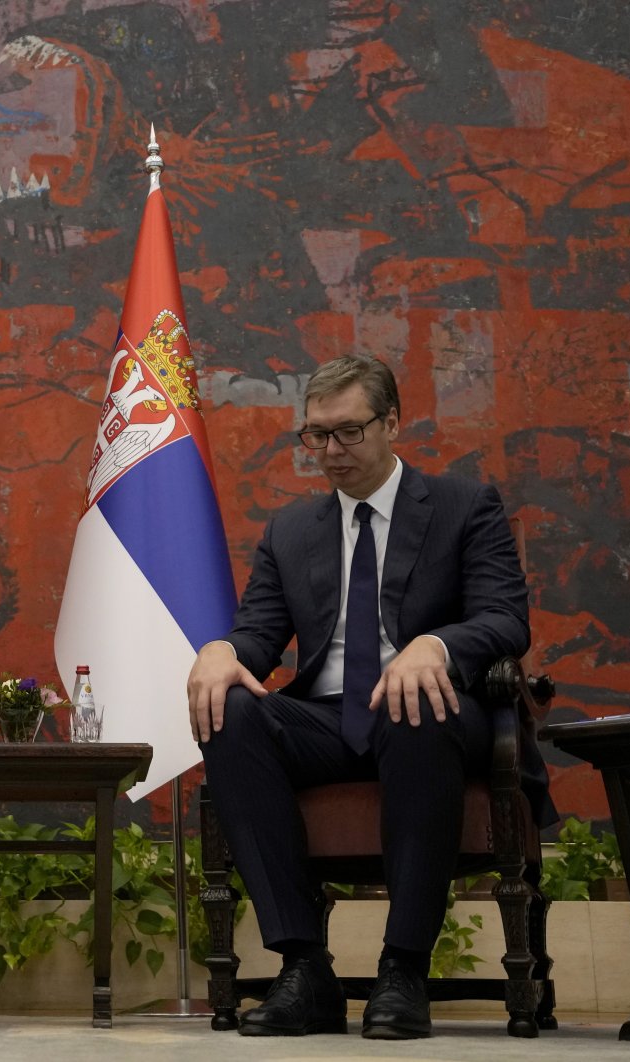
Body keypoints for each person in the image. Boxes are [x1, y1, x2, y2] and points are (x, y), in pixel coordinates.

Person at [188, 355, 553, 1040]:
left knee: (415, 706)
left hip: (431, 716)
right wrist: (222, 652)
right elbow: (259, 633)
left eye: (349, 432)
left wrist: (435, 647)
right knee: (231, 710)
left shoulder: (463, 506)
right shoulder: (291, 531)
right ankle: (304, 968)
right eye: (315, 436)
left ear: (392, 423)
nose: (331, 452)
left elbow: (506, 616)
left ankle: (403, 967)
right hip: (326, 721)